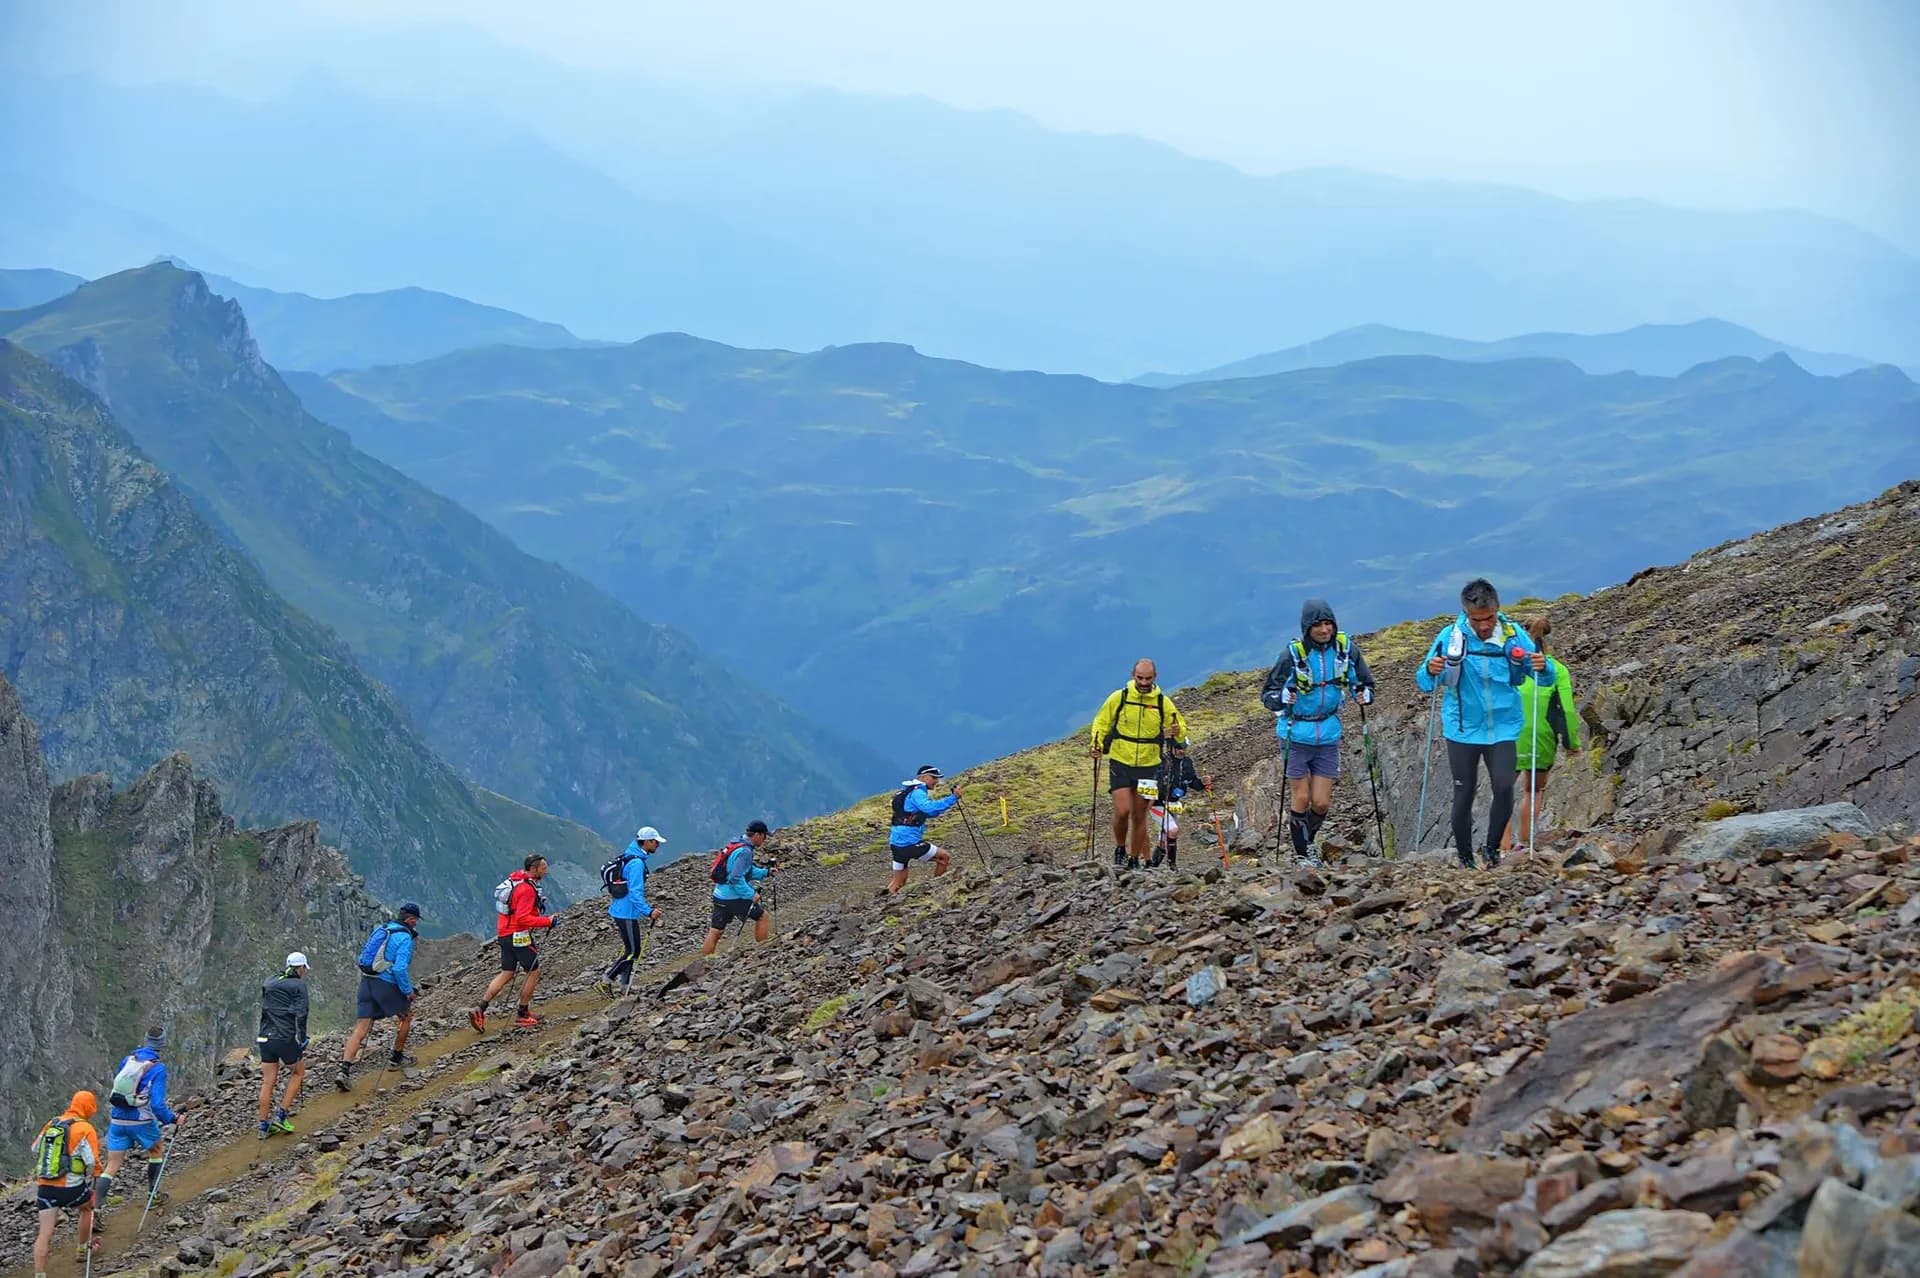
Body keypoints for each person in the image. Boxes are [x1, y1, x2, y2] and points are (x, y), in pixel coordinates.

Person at [1416, 579, 1546, 869]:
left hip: (1503, 726)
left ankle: (1490, 850)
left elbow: (1542, 674)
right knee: (1464, 791)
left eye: (1488, 618)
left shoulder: (1513, 636)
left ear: (1498, 609)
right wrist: (1430, 669)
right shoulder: (1450, 636)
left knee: (1503, 787)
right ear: (1465, 613)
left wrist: (1543, 666)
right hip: (1462, 728)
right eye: (1477, 620)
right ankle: (1465, 858)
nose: (1484, 625)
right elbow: (1425, 682)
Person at [1260, 599, 1377, 867]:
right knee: (1301, 796)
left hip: (1328, 733)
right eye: (1318, 625)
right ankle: (1303, 856)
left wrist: (1364, 694)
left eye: (1328, 624)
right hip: (1295, 733)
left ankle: (1306, 842)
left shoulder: (1347, 651)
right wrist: (1282, 698)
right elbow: (1268, 695)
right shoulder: (1291, 656)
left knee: (1322, 803)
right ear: (1307, 628)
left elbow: (1367, 685)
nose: (1324, 630)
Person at [1090, 659, 1188, 872]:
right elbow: (1101, 722)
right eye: (1140, 678)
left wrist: (1175, 731)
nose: (1143, 682)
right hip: (1120, 760)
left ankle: (1134, 860)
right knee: (1123, 810)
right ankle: (1119, 848)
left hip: (1149, 765)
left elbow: (1179, 726)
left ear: (1155, 677)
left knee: (1140, 814)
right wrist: (1095, 744)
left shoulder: (1162, 702)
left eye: (1148, 678)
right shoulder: (1120, 697)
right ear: (1133, 675)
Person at [1505, 615, 1580, 854]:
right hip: (1542, 734)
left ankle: (1501, 848)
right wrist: (1571, 743)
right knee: (1533, 790)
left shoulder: (1511, 665)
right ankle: (1525, 844)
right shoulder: (1557, 670)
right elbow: (1566, 709)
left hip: (1509, 733)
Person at [92, 1026, 182, 1223]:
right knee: (156, 1150)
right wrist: (173, 1119)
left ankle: (96, 1208)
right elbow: (157, 1105)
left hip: (117, 1119)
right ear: (162, 1044)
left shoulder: (128, 1060)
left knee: (112, 1164)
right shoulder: (158, 1068)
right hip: (140, 1120)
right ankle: (153, 1194)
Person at [337, 904, 421, 1090]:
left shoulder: (384, 929)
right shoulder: (404, 938)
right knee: (406, 1017)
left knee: (361, 1027)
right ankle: (396, 1058)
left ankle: (344, 1070)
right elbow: (399, 969)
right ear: (411, 920)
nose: (416, 924)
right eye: (416, 920)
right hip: (385, 984)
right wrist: (408, 991)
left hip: (367, 982)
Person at [472, 857, 554, 1031]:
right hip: (519, 935)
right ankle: (523, 1014)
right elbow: (523, 918)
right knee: (533, 970)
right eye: (543, 868)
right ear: (534, 868)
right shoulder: (527, 889)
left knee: (507, 972)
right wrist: (547, 921)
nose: (546, 871)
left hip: (504, 933)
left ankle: (480, 1008)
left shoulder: (515, 881)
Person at [29, 1090, 100, 1275]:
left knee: (44, 1233)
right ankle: (82, 1249)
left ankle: (39, 1273)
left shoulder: (52, 1123)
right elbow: (92, 1162)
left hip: (45, 1187)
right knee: (86, 1208)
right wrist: (91, 1176)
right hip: (71, 1188)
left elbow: (35, 1148)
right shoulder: (86, 1128)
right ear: (89, 1107)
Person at [599, 828, 664, 997]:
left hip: (622, 910)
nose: (657, 845)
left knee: (630, 950)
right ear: (647, 841)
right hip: (626, 912)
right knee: (633, 951)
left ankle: (624, 986)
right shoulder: (637, 863)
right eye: (656, 842)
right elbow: (635, 893)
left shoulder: (631, 855)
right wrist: (649, 912)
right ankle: (606, 981)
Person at [256, 952, 310, 1139]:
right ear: (300, 967)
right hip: (284, 1038)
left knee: (268, 1082)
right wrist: (302, 1039)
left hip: (264, 1037)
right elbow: (302, 1014)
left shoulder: (270, 981)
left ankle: (263, 1126)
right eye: (304, 969)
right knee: (298, 1072)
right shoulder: (298, 986)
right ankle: (281, 1115)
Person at [701, 820, 776, 955]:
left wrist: (765, 872)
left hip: (719, 894)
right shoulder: (745, 851)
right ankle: (764, 953)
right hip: (734, 897)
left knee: (716, 931)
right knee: (762, 917)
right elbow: (735, 878)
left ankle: (703, 965)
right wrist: (751, 894)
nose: (764, 840)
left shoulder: (736, 844)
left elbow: (746, 870)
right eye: (764, 836)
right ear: (758, 835)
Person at [888, 765, 960, 894]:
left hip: (896, 842)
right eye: (934, 778)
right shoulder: (918, 792)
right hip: (909, 842)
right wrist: (953, 798)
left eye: (938, 778)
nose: (936, 781)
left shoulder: (908, 791)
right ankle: (936, 891)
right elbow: (930, 809)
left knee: (898, 883)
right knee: (944, 857)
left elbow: (929, 813)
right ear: (922, 777)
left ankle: (882, 905)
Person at [1148, 738, 1205, 869]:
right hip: (1157, 803)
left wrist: (1203, 783)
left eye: (1184, 748)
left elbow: (1193, 782)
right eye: (1179, 748)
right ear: (1171, 747)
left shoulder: (1187, 762)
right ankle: (1172, 866)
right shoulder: (1161, 760)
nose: (1182, 751)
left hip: (1174, 803)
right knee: (1173, 830)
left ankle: (1152, 867)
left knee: (1165, 837)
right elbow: (1151, 779)